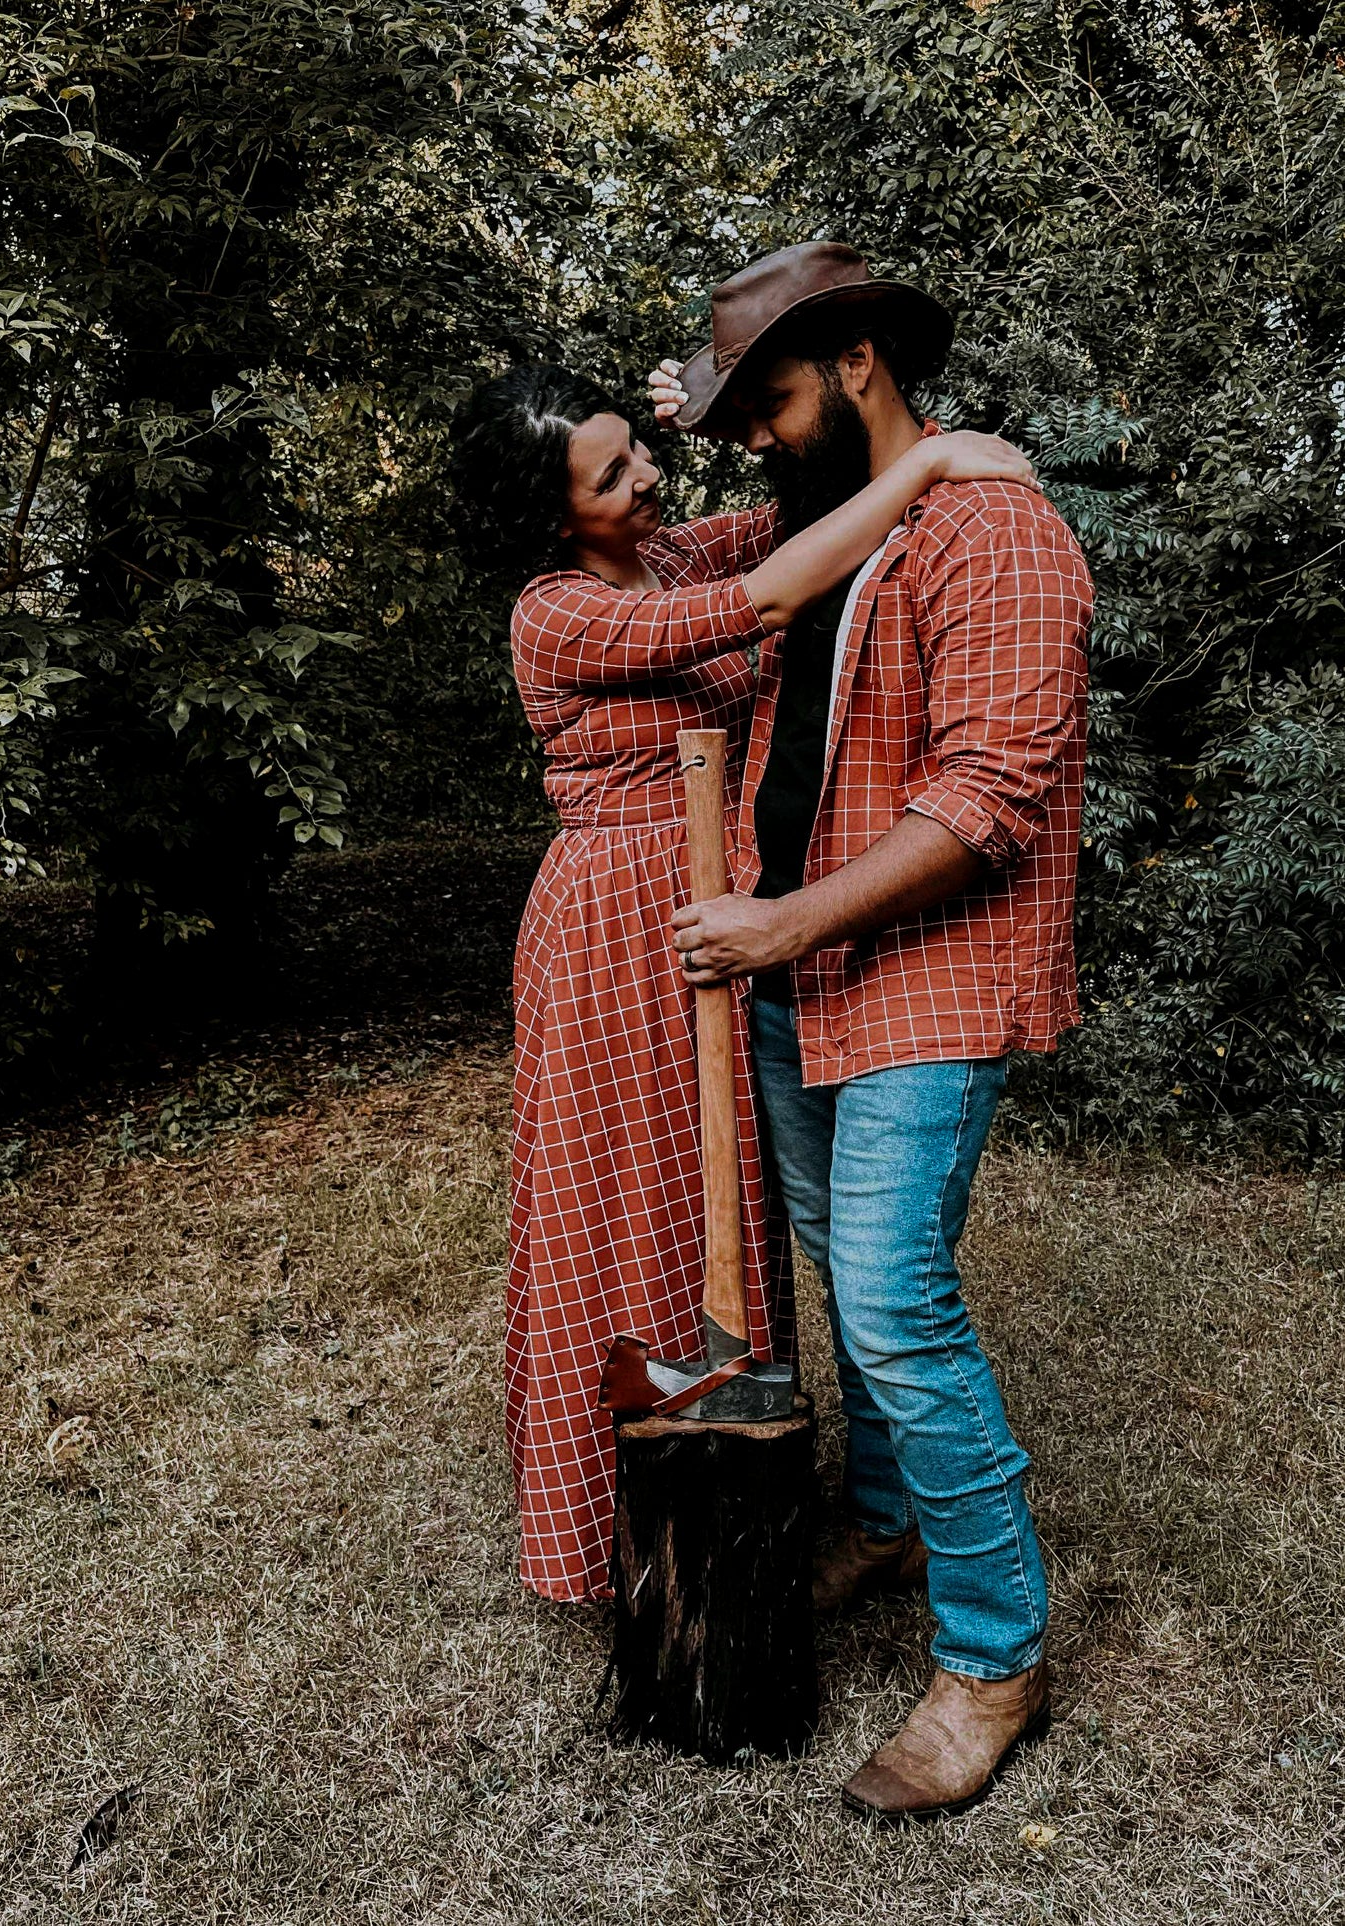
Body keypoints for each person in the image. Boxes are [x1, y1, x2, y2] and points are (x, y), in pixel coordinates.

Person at [451, 363, 1037, 1604]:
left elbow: (805, 504)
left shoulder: (667, 560)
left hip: (729, 914)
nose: (648, 477)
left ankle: (727, 1474)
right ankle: (602, 1512)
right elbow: (772, 591)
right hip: (617, 930)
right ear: (552, 515)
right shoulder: (552, 611)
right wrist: (934, 463)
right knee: (617, 1205)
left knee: (712, 1207)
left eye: (639, 451)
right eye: (612, 474)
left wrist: (722, 408)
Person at [648, 241, 1093, 1818]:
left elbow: (986, 805)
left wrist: (775, 923)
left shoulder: (999, 531)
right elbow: (654, 578)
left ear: (853, 364)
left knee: (896, 1302)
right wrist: (670, 416)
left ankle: (992, 1655)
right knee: (847, 1261)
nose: (756, 436)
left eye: (766, 400)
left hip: (924, 979)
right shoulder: (822, 531)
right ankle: (894, 1510)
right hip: (801, 981)